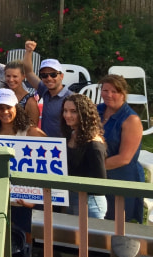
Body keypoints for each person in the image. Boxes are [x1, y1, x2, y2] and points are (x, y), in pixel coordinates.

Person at [0, 89, 45, 239]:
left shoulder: (32, 133)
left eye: (8, 107)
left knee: (26, 244)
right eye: (0, 108)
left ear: (16, 108)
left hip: (25, 203)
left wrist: (35, 199)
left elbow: (48, 164)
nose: (4, 112)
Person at [97, 75, 145, 222]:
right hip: (100, 176)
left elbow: (124, 158)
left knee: (118, 226)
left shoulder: (132, 120)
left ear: (123, 93)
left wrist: (93, 167)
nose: (108, 95)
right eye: (105, 90)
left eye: (114, 91)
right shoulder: (97, 110)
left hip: (122, 178)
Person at [61, 94, 108, 219]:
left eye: (73, 111)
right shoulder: (71, 134)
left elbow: (100, 185)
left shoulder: (94, 145)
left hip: (90, 203)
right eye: (65, 111)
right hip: (72, 198)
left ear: (84, 114)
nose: (67, 115)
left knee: (89, 239)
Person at [23, 40, 72, 137]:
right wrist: (28, 52)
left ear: (61, 76)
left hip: (63, 146)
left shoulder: (71, 98)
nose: (49, 78)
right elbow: (28, 72)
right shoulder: (45, 89)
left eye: (53, 74)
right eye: (44, 75)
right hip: (46, 145)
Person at [4, 61, 40, 126]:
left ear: (23, 77)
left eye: (15, 76)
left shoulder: (30, 102)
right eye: (8, 76)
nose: (11, 79)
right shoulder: (2, 96)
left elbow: (33, 129)